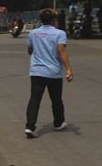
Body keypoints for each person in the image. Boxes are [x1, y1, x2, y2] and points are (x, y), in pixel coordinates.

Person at [25, 8, 74, 138]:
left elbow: (30, 50)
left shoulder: (33, 33)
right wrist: (68, 68)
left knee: (34, 99)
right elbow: (61, 51)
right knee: (56, 99)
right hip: (53, 72)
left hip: (36, 71)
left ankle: (30, 127)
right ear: (54, 20)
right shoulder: (60, 33)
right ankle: (58, 123)